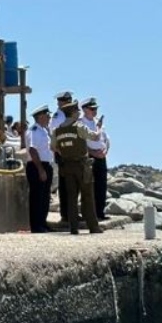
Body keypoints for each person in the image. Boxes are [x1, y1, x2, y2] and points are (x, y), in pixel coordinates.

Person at [52, 100, 104, 235]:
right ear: (74, 113)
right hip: (82, 165)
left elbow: (53, 147)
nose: (78, 113)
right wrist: (98, 127)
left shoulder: (57, 131)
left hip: (67, 165)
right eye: (77, 111)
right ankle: (93, 227)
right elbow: (95, 137)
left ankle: (73, 227)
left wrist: (65, 152)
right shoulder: (79, 127)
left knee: (71, 197)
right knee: (87, 196)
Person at [24, 105, 54, 233]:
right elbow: (32, 150)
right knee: (37, 197)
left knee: (45, 197)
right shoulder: (34, 130)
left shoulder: (44, 130)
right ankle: (36, 225)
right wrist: (41, 170)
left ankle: (43, 223)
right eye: (47, 115)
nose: (49, 118)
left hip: (46, 164)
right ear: (40, 116)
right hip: (37, 165)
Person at [80, 97, 110, 220]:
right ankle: (88, 213)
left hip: (101, 156)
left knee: (101, 186)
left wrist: (105, 151)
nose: (95, 111)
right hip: (89, 157)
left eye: (95, 108)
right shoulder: (81, 123)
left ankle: (100, 212)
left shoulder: (98, 123)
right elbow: (81, 143)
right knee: (88, 186)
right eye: (92, 109)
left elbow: (106, 139)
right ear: (85, 109)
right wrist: (92, 152)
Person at [49, 91, 74, 220]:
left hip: (73, 152)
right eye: (65, 101)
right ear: (60, 102)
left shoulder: (71, 114)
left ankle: (73, 212)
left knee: (74, 184)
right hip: (62, 152)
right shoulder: (58, 116)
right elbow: (55, 134)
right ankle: (66, 214)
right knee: (65, 185)